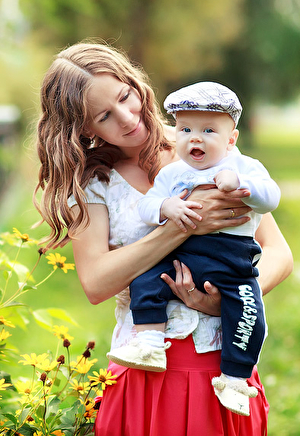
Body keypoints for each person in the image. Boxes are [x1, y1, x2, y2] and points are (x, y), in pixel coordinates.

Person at [35, 42, 293, 436]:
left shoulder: (209, 146)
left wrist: (225, 300)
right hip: (144, 369)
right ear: (85, 129)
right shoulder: (94, 184)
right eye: (104, 116)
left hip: (221, 365)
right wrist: (180, 227)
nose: (127, 118)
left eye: (125, 97)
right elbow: (96, 282)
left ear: (135, 85)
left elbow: (279, 253)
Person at [106, 81, 280, 416]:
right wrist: (166, 207)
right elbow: (147, 206)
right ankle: (150, 342)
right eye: (185, 129)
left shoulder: (244, 167)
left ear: (231, 139)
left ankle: (235, 378)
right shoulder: (173, 173)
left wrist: (242, 186)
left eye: (208, 130)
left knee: (247, 309)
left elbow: (271, 197)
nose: (195, 138)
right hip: (184, 254)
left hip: (232, 257)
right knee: (146, 279)